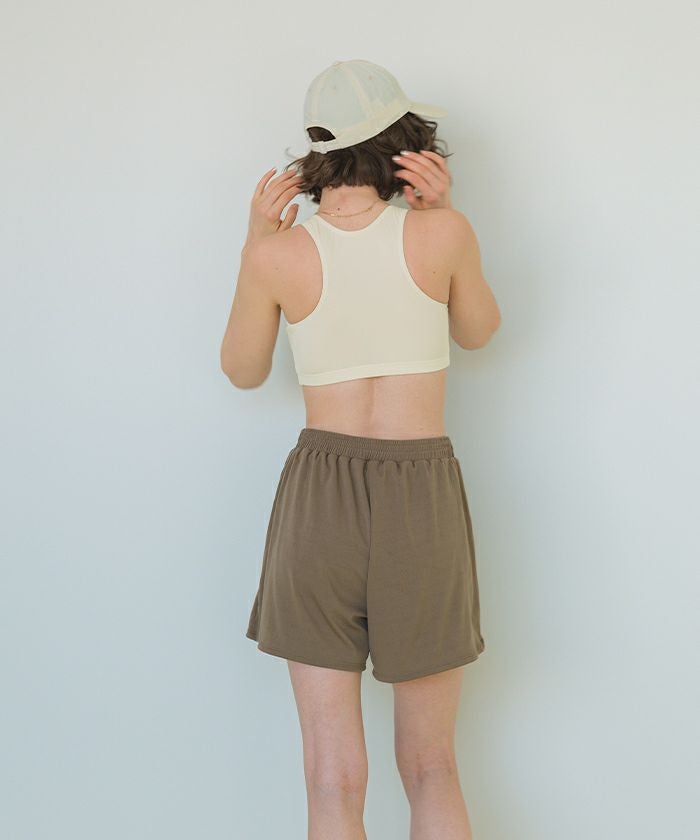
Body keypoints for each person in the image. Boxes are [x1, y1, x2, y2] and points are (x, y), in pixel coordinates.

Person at [220, 59, 501, 840]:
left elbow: (243, 371)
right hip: (422, 494)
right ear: (405, 142)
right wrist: (446, 213)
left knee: (330, 779)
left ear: (317, 153)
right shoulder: (442, 234)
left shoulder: (278, 254)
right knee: (434, 769)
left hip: (320, 497)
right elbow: (479, 333)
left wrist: (254, 244)